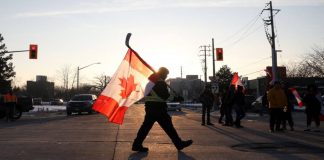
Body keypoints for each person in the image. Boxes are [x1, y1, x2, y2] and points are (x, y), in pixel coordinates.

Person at [132, 67, 193, 152]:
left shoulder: (150, 82)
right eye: (166, 74)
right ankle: (179, 144)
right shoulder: (160, 83)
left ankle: (137, 144)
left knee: (145, 127)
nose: (166, 76)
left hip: (150, 108)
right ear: (162, 74)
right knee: (169, 127)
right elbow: (165, 96)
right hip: (159, 109)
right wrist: (177, 98)